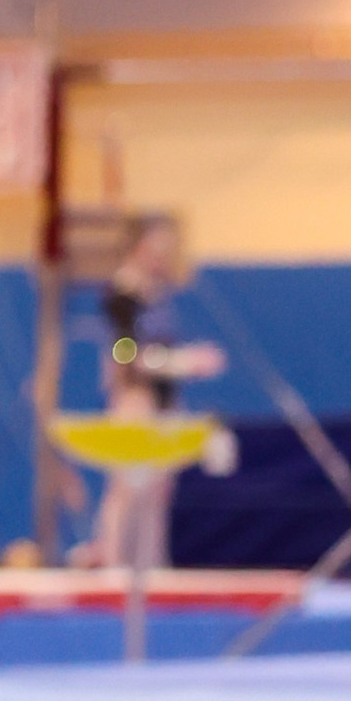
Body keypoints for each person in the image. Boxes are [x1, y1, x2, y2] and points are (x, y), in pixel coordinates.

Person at [86, 215, 222, 576]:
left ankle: (152, 565)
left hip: (163, 400)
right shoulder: (121, 295)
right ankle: (114, 564)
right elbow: (125, 355)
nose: (161, 259)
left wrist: (182, 364)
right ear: (137, 249)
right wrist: (183, 363)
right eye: (155, 250)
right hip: (134, 399)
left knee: (158, 491)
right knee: (128, 487)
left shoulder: (156, 295)